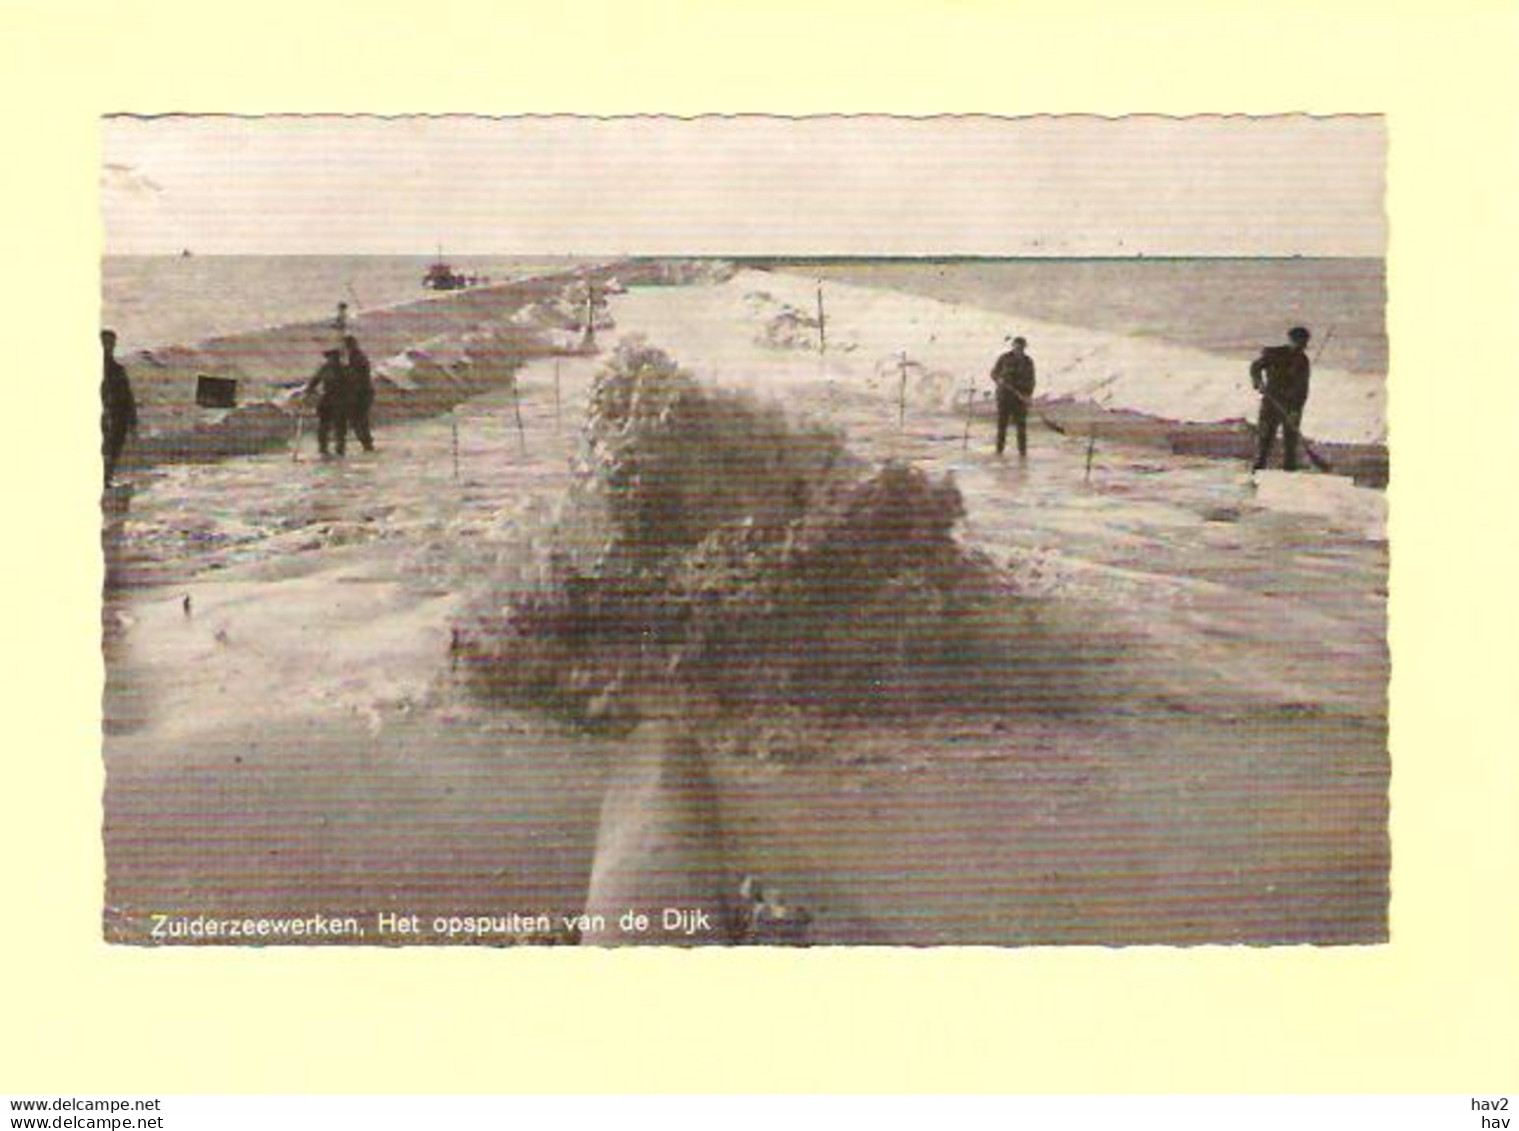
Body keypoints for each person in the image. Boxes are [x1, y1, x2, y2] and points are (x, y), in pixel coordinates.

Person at [1250, 326, 1312, 471]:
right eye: (1299, 342)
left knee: (1290, 443)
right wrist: (1258, 382)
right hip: (1271, 402)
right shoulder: (1275, 354)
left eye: (1304, 343)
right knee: (1265, 440)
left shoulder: (1303, 360)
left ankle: (1288, 474)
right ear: (1291, 340)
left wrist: (1296, 410)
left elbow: (1303, 388)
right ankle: (1258, 471)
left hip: (1292, 406)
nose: (1302, 346)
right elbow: (1255, 367)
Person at [100, 329, 138, 488]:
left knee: (113, 450)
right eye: (106, 343)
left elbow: (127, 397)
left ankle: (106, 480)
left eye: (112, 343)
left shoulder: (117, 369)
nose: (109, 347)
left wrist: (132, 420)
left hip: (117, 417)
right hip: (102, 416)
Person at [991, 336, 1036, 457]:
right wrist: (999, 379)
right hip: (1004, 397)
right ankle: (999, 452)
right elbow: (994, 373)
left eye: (1021, 347)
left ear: (1024, 348)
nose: (1018, 349)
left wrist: (1028, 396)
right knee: (1002, 426)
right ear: (1013, 346)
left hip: (1020, 399)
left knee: (1021, 428)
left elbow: (1032, 380)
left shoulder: (1028, 361)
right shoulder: (1004, 358)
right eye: (1016, 347)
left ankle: (1023, 453)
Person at [303, 348, 352, 457]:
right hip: (328, 400)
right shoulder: (325, 369)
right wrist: (308, 392)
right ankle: (323, 449)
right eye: (330, 358)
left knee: (339, 428)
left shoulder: (344, 370)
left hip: (340, 401)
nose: (332, 360)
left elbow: (351, 387)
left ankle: (339, 450)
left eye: (334, 358)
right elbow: (313, 382)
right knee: (324, 426)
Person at [342, 335, 375, 452]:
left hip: (361, 393)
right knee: (360, 420)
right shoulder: (358, 357)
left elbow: (355, 377)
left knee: (358, 420)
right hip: (364, 392)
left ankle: (367, 445)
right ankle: (367, 444)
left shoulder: (357, 358)